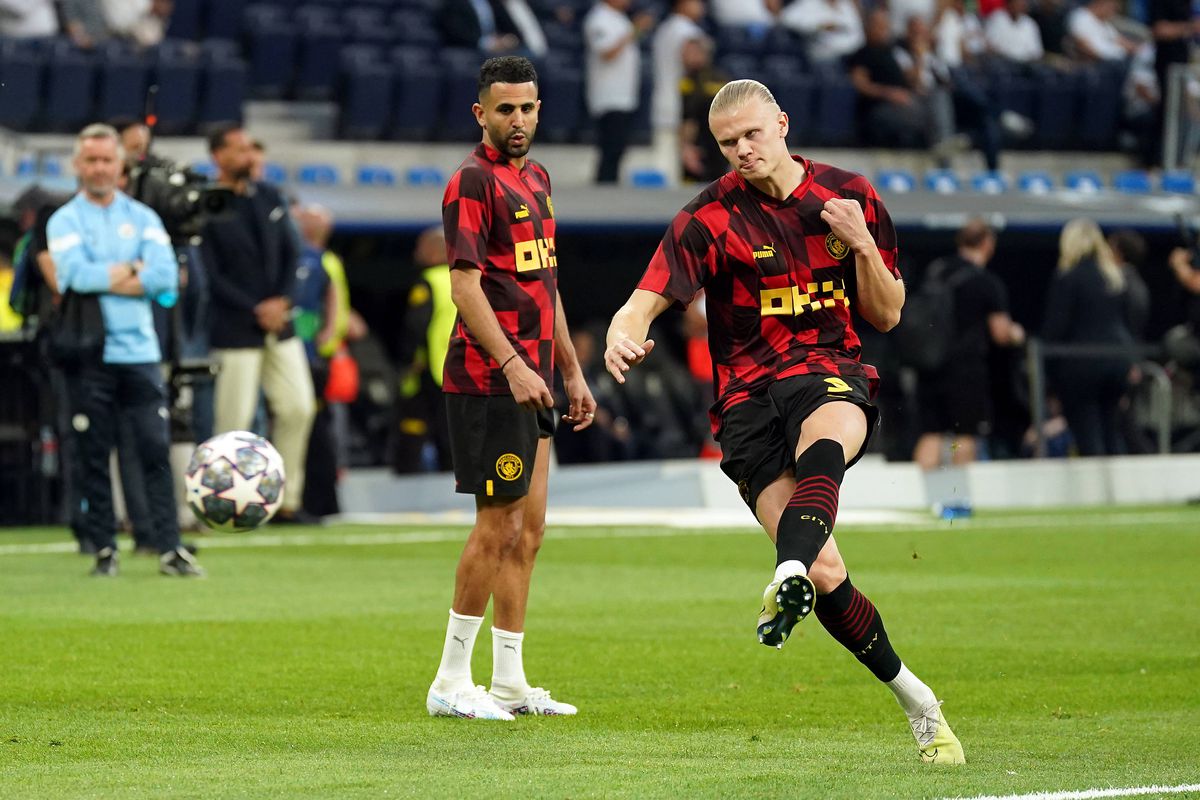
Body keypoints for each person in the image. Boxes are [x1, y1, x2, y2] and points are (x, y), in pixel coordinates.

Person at [603, 79, 964, 763]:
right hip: (745, 399)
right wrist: (622, 333)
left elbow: (887, 313)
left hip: (829, 371)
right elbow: (643, 300)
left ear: (782, 125)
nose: (742, 150)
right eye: (727, 143)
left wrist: (859, 243)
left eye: (751, 135)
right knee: (826, 572)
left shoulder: (847, 197)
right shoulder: (707, 219)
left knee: (824, 429)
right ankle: (918, 700)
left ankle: (785, 565)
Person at [427, 56, 597, 721]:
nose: (518, 120)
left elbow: (543, 283)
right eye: (505, 109)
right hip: (489, 379)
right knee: (496, 526)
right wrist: (512, 365)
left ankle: (508, 681)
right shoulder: (471, 182)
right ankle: (448, 681)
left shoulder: (538, 178)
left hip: (538, 378)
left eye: (527, 108)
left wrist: (571, 370)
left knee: (529, 531)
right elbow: (465, 285)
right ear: (481, 113)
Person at [46, 123, 203, 578]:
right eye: (90, 160)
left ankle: (169, 547)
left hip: (139, 352)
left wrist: (115, 274)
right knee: (94, 452)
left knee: (154, 448)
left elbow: (165, 279)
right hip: (90, 351)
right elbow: (74, 276)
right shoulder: (65, 219)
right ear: (78, 165)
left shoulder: (145, 217)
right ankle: (104, 548)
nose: (98, 168)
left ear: (120, 167)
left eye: (106, 160)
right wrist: (135, 269)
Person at [199, 124, 317, 524]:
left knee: (299, 406)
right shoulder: (206, 203)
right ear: (217, 156)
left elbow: (293, 253)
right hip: (235, 327)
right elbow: (210, 275)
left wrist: (282, 301)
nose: (248, 155)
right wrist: (255, 307)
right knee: (233, 420)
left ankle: (284, 500)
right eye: (238, 149)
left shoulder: (269, 196)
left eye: (251, 147)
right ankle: (223, 502)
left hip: (278, 322)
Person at [912, 219, 1024, 470]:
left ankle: (921, 503)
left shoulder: (936, 270)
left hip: (930, 364)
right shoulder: (985, 282)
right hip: (965, 370)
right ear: (987, 244)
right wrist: (1018, 334)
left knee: (931, 433)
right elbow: (1001, 333)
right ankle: (957, 499)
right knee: (965, 435)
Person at [1042, 218, 1136, 457]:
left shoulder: (1068, 277)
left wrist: (1048, 373)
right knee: (1112, 429)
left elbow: (1056, 328)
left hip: (1082, 364)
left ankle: (1098, 489)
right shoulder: (1114, 277)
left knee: (1088, 430)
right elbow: (1128, 323)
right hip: (1117, 361)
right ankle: (1120, 487)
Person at [583, 0, 655, 184]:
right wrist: (634, 29)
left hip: (624, 92)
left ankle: (610, 183)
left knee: (619, 146)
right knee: (610, 146)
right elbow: (607, 52)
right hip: (608, 93)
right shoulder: (598, 18)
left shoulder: (619, 18)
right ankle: (604, 185)